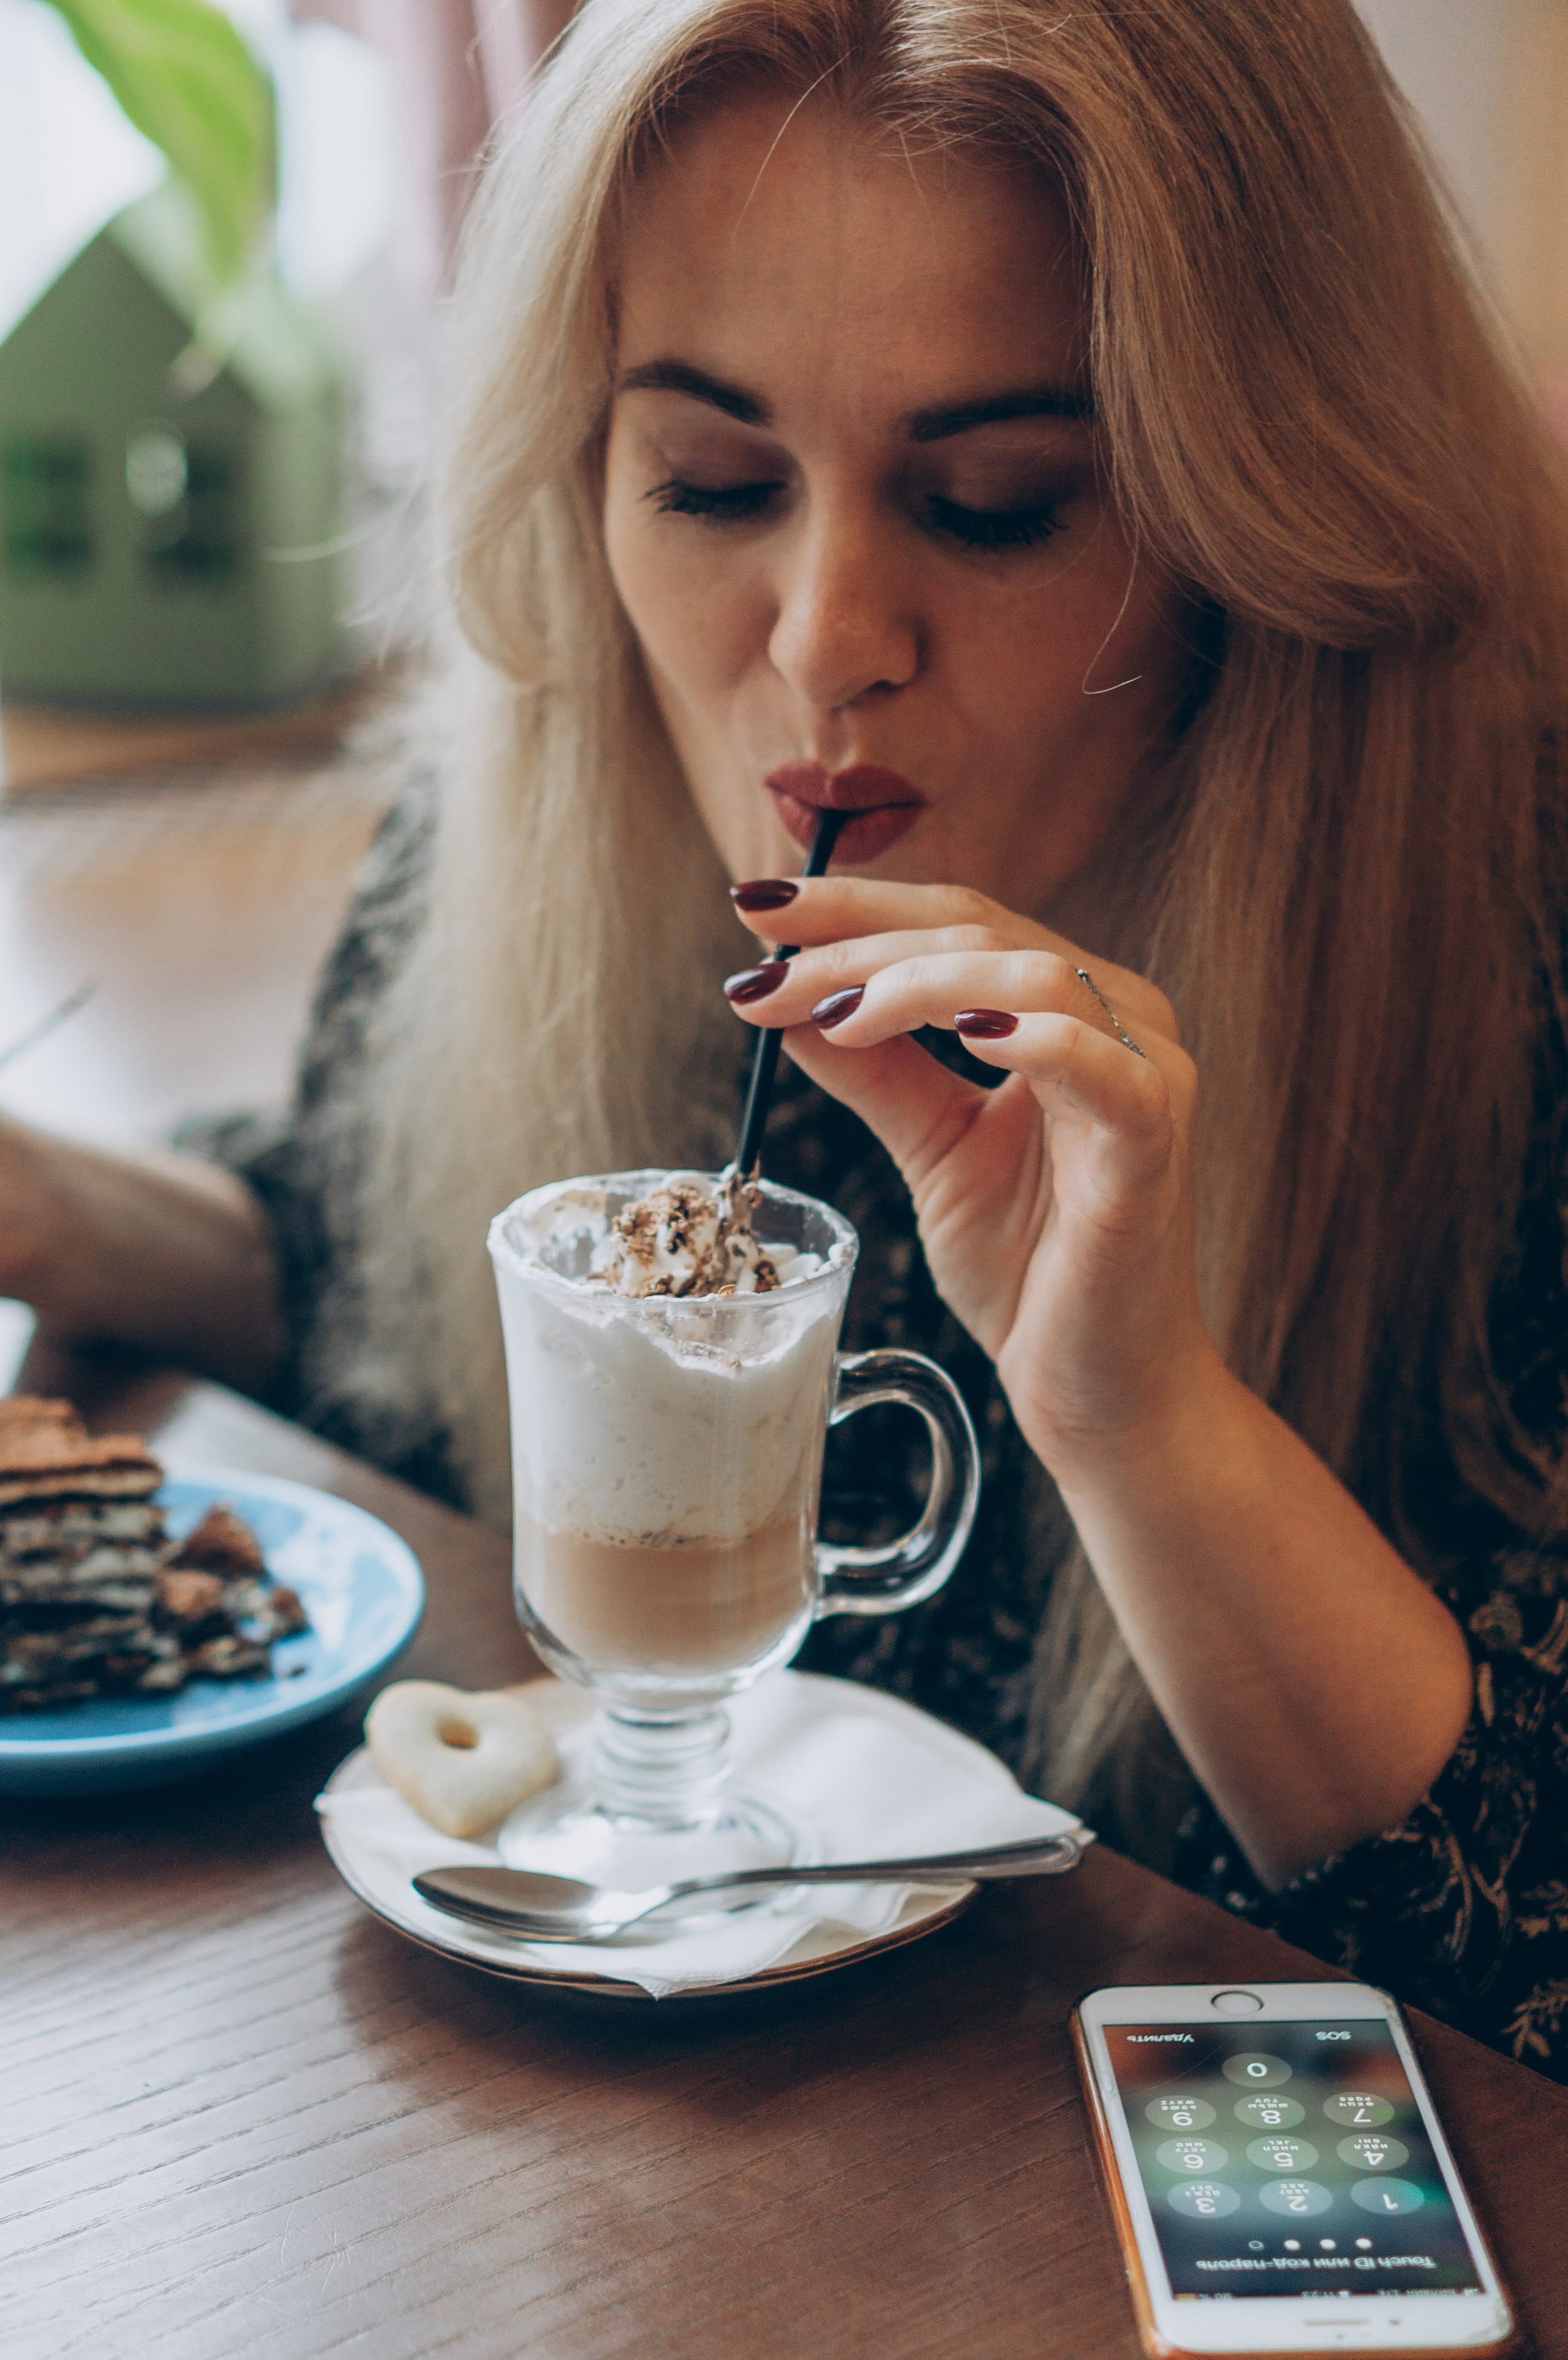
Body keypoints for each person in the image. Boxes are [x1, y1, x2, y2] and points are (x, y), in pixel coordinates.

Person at [6, 0, 1568, 2076]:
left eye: (998, 500)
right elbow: (376, 1274)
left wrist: (1142, 1414)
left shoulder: (1510, 953)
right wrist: (53, 1208)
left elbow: (1521, 1935)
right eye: (713, 480)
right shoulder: (556, 797)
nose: (826, 641)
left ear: (1258, 512)